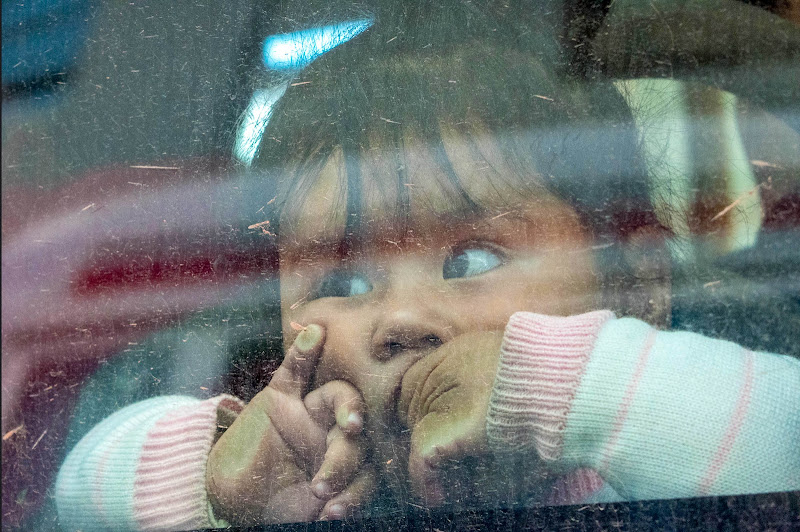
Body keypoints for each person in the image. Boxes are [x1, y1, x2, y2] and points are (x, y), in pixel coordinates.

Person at [54, 1, 800, 530]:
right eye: (343, 283)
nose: (401, 319)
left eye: (472, 258)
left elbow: (780, 432)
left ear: (640, 287)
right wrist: (214, 483)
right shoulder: (326, 484)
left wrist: (553, 386)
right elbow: (81, 491)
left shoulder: (657, 452)